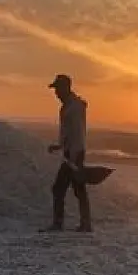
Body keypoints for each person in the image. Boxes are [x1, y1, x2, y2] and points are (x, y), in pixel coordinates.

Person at [41, 74, 92, 232]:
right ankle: (85, 224)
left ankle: (61, 223)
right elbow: (68, 132)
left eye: (58, 89)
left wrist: (75, 156)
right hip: (71, 152)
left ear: (66, 88)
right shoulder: (68, 106)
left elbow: (77, 133)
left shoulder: (74, 107)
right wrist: (59, 146)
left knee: (61, 188)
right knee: (77, 189)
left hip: (74, 153)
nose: (56, 93)